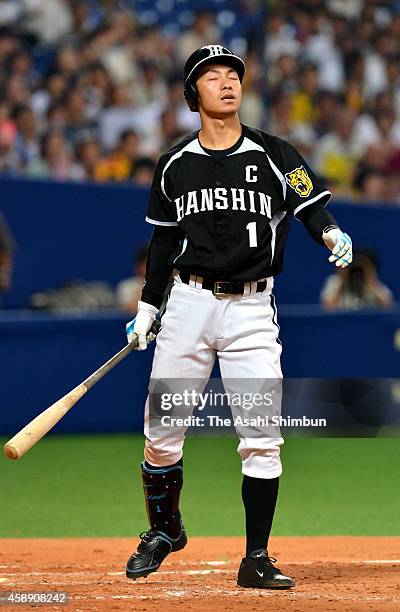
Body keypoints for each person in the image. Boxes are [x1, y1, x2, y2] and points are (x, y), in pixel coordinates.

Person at [124, 45, 353, 590]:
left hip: (252, 308)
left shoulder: (274, 152)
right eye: (212, 76)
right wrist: (148, 306)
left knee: (262, 436)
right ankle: (164, 530)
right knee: (162, 431)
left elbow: (310, 205)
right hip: (188, 305)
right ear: (192, 93)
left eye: (233, 75)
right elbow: (162, 241)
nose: (226, 83)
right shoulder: (175, 164)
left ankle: (256, 557)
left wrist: (330, 233)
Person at [320, 248, 393, 310]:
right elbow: (328, 308)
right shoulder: (335, 281)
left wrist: (371, 282)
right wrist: (343, 279)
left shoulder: (372, 283)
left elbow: (388, 306)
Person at [115, 246, 147, 314]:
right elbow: (131, 310)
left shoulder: (173, 285)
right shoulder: (126, 287)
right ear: (139, 267)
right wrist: (149, 284)